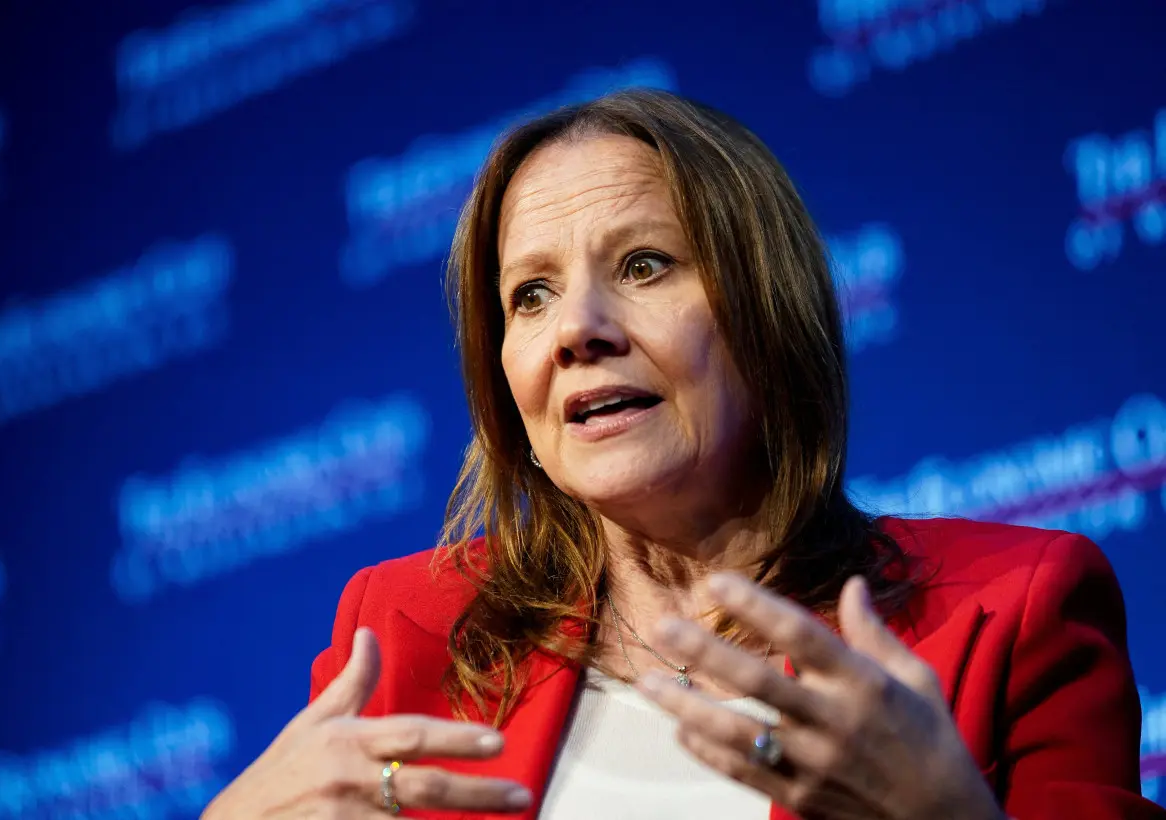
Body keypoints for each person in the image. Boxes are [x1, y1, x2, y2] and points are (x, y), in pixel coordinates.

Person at [203, 89, 1163, 820]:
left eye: (643, 265)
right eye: (528, 295)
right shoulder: (405, 634)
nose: (576, 329)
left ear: (768, 311)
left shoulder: (1015, 611)